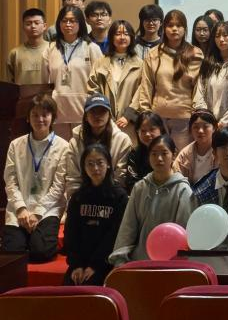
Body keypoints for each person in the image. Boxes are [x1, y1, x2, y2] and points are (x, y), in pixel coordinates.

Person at [2, 94, 71, 262]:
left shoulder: (63, 146)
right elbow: (10, 181)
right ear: (28, 118)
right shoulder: (16, 145)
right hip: (20, 208)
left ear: (53, 117)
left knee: (41, 253)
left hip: (47, 209)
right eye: (35, 115)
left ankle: (34, 239)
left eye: (45, 114)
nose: (40, 119)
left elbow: (58, 187)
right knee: (13, 254)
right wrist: (21, 208)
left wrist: (38, 212)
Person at [109, 135, 193, 265]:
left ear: (174, 155)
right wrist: (120, 260)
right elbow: (128, 227)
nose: (159, 158)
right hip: (140, 261)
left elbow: (184, 232)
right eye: (154, 154)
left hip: (170, 264)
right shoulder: (140, 188)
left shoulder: (183, 190)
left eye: (164, 153)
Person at [132, 9, 203, 149]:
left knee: (181, 159)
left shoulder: (195, 53)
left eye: (179, 25)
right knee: (159, 156)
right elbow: (146, 86)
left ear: (185, 29)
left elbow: (199, 88)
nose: (174, 29)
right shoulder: (154, 54)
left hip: (184, 118)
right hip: (158, 118)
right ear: (164, 28)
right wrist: (146, 113)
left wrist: (197, 114)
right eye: (170, 25)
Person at [63, 143, 127, 285]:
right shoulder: (78, 197)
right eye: (90, 164)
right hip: (80, 261)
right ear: (84, 167)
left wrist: (96, 265)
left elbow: (115, 235)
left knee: (90, 285)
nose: (95, 168)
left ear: (108, 164)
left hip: (106, 261)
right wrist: (76, 265)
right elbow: (71, 232)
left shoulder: (119, 197)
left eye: (99, 163)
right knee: (68, 289)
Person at [45, 5, 105, 139]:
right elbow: (45, 82)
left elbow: (101, 83)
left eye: (72, 21)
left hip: (84, 110)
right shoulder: (50, 48)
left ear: (81, 24)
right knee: (61, 149)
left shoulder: (91, 48)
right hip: (58, 111)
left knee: (83, 148)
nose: (68, 24)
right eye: (64, 20)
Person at [64, 94, 133, 199]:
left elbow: (120, 177)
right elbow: (73, 178)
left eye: (102, 111)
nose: (97, 115)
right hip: (83, 197)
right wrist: (75, 201)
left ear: (109, 115)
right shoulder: (75, 142)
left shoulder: (123, 140)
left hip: (112, 197)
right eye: (93, 111)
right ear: (86, 116)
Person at [192, 21, 228, 131]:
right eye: (217, 36)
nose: (221, 39)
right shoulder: (208, 63)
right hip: (208, 125)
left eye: (225, 35)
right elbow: (199, 93)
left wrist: (223, 122)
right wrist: (207, 119)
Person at [120, 111, 166, 192]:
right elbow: (131, 183)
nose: (147, 134)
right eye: (143, 131)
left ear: (161, 129)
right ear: (137, 132)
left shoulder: (169, 152)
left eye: (152, 129)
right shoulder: (134, 154)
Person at [7, 7, 51, 85]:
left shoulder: (53, 49)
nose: (33, 26)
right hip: (21, 93)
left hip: (48, 93)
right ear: (23, 27)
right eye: (28, 24)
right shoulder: (14, 53)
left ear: (44, 26)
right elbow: (10, 84)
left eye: (37, 23)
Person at [174, 110, 217, 185]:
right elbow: (176, 178)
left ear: (214, 128)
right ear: (190, 130)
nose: (200, 131)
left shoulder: (220, 151)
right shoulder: (185, 155)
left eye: (205, 126)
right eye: (196, 127)